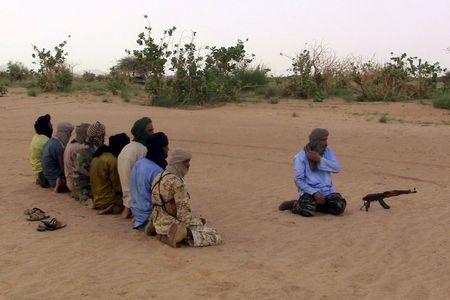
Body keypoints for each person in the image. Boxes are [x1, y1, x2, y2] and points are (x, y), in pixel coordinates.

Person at [150, 148, 222, 248]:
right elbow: (183, 215)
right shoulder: (177, 183)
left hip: (158, 220)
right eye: (186, 162)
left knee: (198, 222)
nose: (188, 165)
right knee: (214, 235)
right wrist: (195, 224)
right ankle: (179, 236)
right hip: (170, 224)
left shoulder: (159, 176)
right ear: (179, 163)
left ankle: (163, 234)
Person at [279, 128, 346, 217]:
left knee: (339, 207)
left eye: (326, 139)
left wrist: (320, 160)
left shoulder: (327, 151)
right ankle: (295, 204)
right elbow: (299, 180)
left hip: (327, 191)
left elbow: (337, 168)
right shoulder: (300, 157)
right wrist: (314, 193)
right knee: (307, 211)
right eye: (323, 140)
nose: (326, 143)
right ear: (315, 142)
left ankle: (316, 206)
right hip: (309, 191)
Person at [117, 117, 154, 218]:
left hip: (127, 196)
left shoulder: (127, 147)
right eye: (150, 131)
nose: (152, 134)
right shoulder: (143, 150)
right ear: (141, 132)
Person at [130, 132, 168, 229]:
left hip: (136, 212)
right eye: (165, 147)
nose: (167, 150)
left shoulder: (139, 163)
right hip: (148, 215)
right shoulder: (157, 170)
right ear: (160, 149)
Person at [90, 133, 130, 214]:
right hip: (108, 200)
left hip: (96, 198)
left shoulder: (99, 155)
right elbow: (117, 186)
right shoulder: (113, 160)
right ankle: (113, 207)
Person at [72, 121, 105, 204]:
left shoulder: (83, 147)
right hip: (85, 191)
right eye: (103, 135)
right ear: (99, 136)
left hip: (77, 187)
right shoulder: (93, 151)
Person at [41, 122, 74, 192]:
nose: (70, 136)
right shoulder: (59, 146)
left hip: (47, 175)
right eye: (69, 133)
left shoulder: (50, 141)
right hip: (54, 177)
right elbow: (63, 167)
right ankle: (60, 183)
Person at [64, 123, 90, 192]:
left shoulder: (71, 144)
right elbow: (83, 169)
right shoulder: (79, 147)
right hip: (75, 184)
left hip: (69, 180)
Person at [29, 114, 53, 187]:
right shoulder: (46, 141)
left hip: (36, 173)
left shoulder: (36, 136)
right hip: (43, 175)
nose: (51, 125)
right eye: (49, 124)